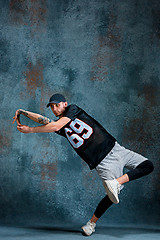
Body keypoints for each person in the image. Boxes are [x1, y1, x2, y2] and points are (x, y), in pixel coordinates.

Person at [13, 93, 154, 236]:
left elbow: (54, 126)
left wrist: (30, 130)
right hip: (103, 162)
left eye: (57, 105)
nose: (54, 109)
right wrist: (23, 112)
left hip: (116, 149)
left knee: (148, 166)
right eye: (51, 107)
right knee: (112, 196)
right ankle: (91, 223)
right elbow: (45, 121)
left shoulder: (73, 110)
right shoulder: (61, 127)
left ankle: (116, 182)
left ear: (65, 104)